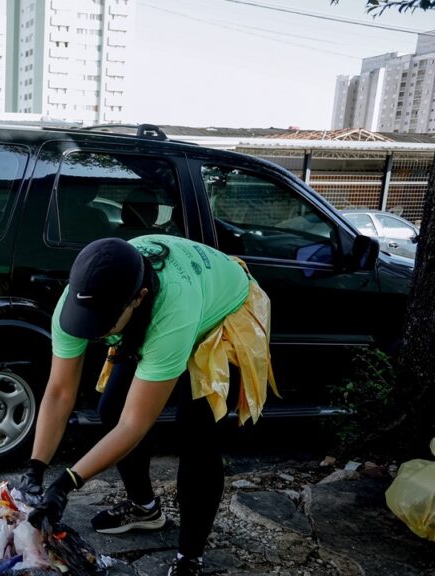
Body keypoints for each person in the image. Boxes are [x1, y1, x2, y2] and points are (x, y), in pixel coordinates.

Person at [17, 235, 276, 576]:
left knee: (197, 431)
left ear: (137, 300)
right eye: (86, 320)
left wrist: (67, 483)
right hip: (160, 306)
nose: (93, 332)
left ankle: (190, 556)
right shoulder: (80, 297)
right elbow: (60, 391)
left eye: (104, 324)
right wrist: (36, 468)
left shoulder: (172, 314)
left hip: (224, 312)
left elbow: (135, 423)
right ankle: (145, 508)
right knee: (110, 408)